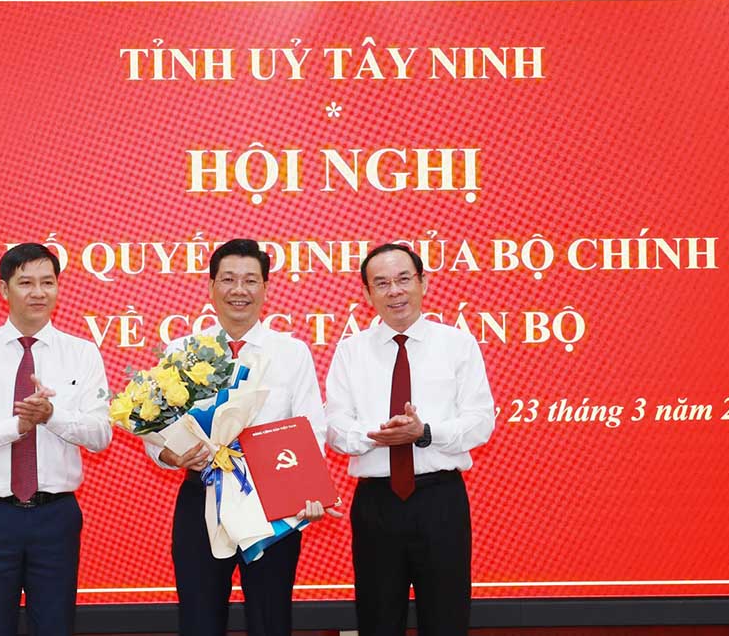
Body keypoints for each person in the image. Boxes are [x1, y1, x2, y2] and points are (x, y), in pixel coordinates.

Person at [147, 238, 340, 636]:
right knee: (200, 619)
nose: (240, 290)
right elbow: (155, 428)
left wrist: (308, 490)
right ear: (211, 286)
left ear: (266, 288)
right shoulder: (182, 350)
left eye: (251, 280)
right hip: (202, 495)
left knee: (271, 620)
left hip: (273, 504)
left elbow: (311, 427)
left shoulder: (291, 352)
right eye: (229, 279)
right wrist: (173, 456)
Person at [325, 243, 496, 636]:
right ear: (367, 294)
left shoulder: (457, 345)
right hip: (376, 503)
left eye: (404, 279)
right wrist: (372, 436)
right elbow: (333, 425)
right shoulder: (351, 352)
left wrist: (425, 433)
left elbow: (480, 421)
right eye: (381, 283)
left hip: (440, 500)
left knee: (446, 618)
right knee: (378, 619)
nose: (394, 291)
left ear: (424, 283)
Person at [0, 243, 111, 636]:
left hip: (56, 516)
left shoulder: (82, 354)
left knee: (55, 626)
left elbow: (101, 435)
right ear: (4, 289)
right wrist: (16, 427)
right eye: (26, 283)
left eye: (47, 282)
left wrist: (53, 416)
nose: (38, 292)